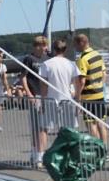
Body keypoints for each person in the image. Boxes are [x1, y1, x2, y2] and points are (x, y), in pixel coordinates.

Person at [39, 38, 80, 139]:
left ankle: (41, 153)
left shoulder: (46, 64)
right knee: (69, 130)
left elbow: (44, 86)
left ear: (53, 49)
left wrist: (42, 102)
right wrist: (78, 102)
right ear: (65, 50)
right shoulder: (72, 64)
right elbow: (77, 84)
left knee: (44, 129)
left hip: (50, 100)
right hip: (67, 100)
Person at [20, 36, 49, 167]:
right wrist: (29, 93)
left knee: (44, 127)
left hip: (45, 96)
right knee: (36, 127)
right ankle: (36, 154)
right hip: (35, 94)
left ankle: (39, 154)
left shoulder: (47, 58)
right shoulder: (29, 59)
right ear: (36, 46)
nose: (44, 48)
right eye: (42, 45)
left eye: (45, 45)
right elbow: (23, 77)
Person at [74, 33, 107, 145]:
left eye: (76, 45)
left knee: (91, 124)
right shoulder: (97, 54)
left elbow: (81, 81)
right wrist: (100, 86)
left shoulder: (83, 59)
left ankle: (98, 149)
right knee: (101, 124)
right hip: (100, 94)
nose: (76, 48)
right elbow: (104, 74)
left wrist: (77, 97)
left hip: (88, 97)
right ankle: (105, 149)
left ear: (82, 43)